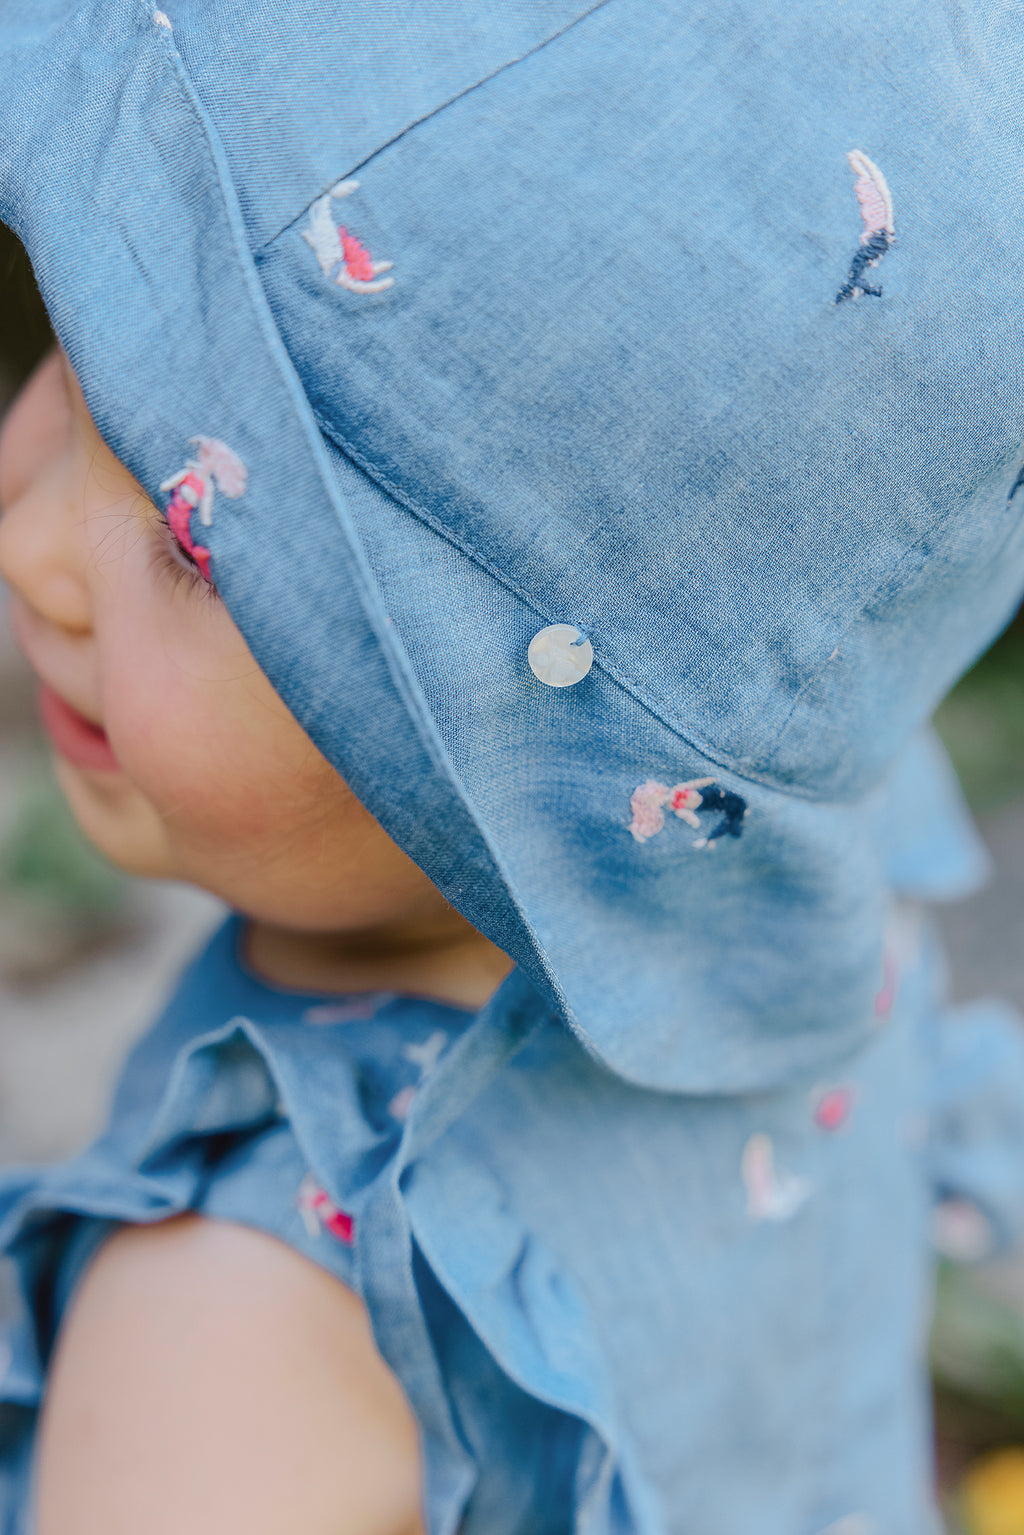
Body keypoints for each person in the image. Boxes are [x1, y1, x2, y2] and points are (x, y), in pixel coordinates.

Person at [2, 4, 1024, 1532]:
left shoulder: (236, 1327)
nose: (27, 546)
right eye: (74, 355)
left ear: (540, 720)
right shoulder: (803, 903)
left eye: (198, 540)